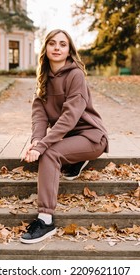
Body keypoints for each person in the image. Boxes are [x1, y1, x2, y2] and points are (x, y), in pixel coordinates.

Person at [20, 29, 109, 244]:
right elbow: (39, 118)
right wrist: (34, 143)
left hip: (91, 136)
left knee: (49, 155)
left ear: (69, 50)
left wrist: (43, 146)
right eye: (52, 43)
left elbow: (70, 117)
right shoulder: (43, 78)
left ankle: (46, 220)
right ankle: (76, 159)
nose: (57, 47)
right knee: (45, 150)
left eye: (62, 44)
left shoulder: (75, 74)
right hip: (68, 138)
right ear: (46, 48)